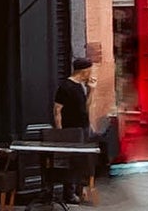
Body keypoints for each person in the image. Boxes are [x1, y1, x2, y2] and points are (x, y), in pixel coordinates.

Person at [52, 57, 97, 204]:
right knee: (72, 161)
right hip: (70, 129)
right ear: (84, 71)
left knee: (81, 160)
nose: (92, 73)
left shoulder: (80, 86)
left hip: (82, 127)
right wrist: (60, 132)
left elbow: (85, 108)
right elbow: (57, 110)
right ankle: (69, 193)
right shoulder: (66, 86)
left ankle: (79, 190)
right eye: (90, 70)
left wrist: (91, 91)